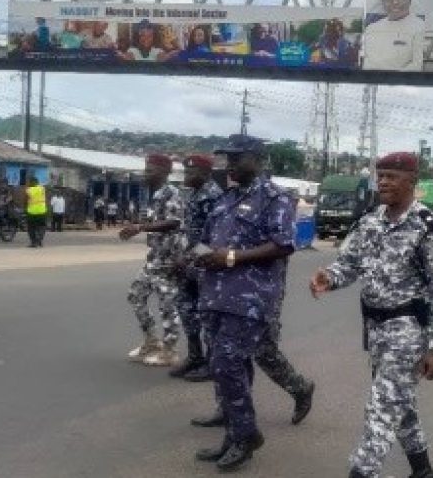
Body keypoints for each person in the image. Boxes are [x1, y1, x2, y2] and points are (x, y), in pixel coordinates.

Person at [310, 151, 433, 478]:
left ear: (411, 182)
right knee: (399, 404)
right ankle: (423, 470)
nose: (384, 182)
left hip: (407, 330)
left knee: (381, 410)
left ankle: (362, 472)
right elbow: (349, 265)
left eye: (392, 176)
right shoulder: (369, 221)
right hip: (375, 328)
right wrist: (329, 278)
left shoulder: (429, 227)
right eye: (381, 175)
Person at [189, 135, 303, 472]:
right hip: (216, 295)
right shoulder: (227, 199)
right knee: (229, 367)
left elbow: (283, 244)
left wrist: (232, 257)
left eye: (238, 158)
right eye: (227, 159)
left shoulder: (275, 198)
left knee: (226, 363)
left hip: (249, 299)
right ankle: (233, 435)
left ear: (257, 158)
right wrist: (194, 258)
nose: (231, 164)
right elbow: (209, 241)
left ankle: (246, 436)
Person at [119, 154, 183, 367]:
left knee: (167, 305)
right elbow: (157, 222)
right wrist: (139, 225)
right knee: (135, 295)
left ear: (164, 172)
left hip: (168, 260)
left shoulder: (171, 192)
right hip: (154, 258)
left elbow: (174, 222)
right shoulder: (154, 195)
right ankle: (151, 341)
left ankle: (170, 351)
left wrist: (140, 227)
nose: (146, 174)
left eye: (150, 170)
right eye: (146, 169)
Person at [169, 154, 224, 382]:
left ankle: (213, 364)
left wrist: (189, 257)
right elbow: (189, 231)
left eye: (191, 173)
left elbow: (216, 238)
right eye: (186, 172)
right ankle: (195, 356)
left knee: (208, 315)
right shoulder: (194, 194)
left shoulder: (214, 197)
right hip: (191, 264)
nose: (187, 176)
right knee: (186, 309)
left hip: (207, 265)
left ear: (205, 174)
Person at [363, 0, 425, 71]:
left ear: (410, 1)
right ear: (383, 2)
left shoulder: (420, 27)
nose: (395, 2)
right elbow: (363, 60)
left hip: (399, 82)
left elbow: (417, 65)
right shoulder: (370, 28)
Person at [24, 177, 48, 248]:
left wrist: (25, 209)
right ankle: (39, 240)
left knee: (31, 228)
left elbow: (25, 201)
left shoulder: (28, 190)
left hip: (31, 212)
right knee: (42, 227)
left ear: (31, 182)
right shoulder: (42, 189)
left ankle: (34, 242)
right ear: (37, 182)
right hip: (42, 211)